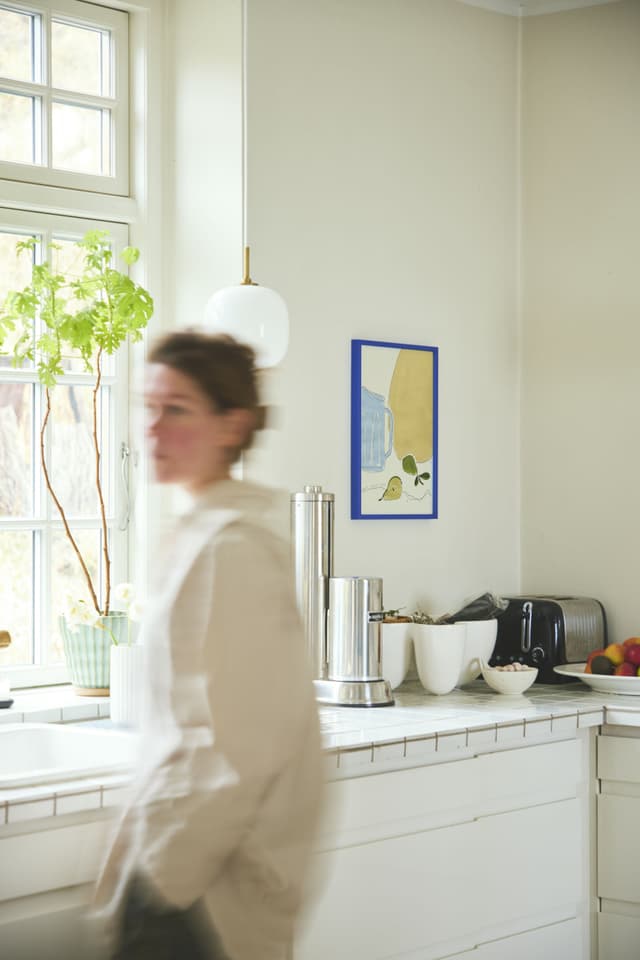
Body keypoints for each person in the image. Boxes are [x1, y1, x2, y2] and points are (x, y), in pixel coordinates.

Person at [93, 330, 324, 960]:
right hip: (187, 877)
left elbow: (238, 750)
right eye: (148, 407)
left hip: (204, 900)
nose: (152, 429)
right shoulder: (202, 534)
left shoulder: (232, 551)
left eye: (176, 410)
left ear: (232, 424)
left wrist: (164, 877)